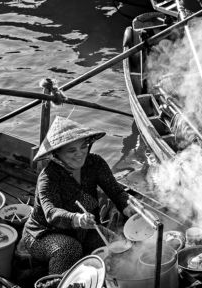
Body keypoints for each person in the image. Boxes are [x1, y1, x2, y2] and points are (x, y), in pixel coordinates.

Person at [17, 116, 135, 277]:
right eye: (71, 150)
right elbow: (51, 213)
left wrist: (128, 208)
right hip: (43, 234)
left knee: (120, 246)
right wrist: (77, 219)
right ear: (56, 154)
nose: (80, 154)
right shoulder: (48, 178)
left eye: (83, 146)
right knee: (69, 249)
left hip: (84, 230)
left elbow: (116, 191)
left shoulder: (95, 163)